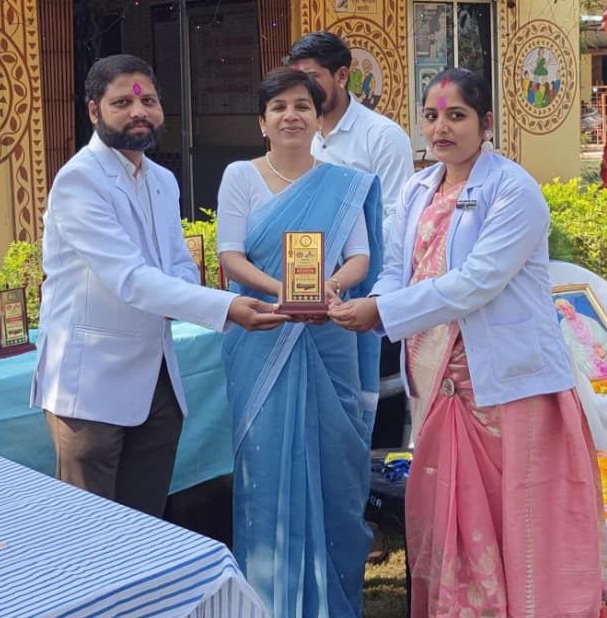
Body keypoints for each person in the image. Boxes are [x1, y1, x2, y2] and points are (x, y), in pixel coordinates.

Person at [329, 68, 607, 617]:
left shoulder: (513, 189)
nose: (441, 128)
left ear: (487, 123)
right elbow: (396, 270)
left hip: (504, 381)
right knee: (446, 506)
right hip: (435, 375)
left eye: (456, 116)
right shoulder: (417, 188)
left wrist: (382, 313)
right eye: (431, 116)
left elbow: (477, 282)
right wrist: (377, 300)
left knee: (517, 511)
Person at [31, 54, 287, 518]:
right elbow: (129, 278)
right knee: (91, 526)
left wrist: (188, 298)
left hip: (156, 378)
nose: (139, 112)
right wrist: (226, 306)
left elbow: (177, 265)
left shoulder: (162, 181)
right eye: (122, 103)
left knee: (147, 523)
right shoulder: (79, 182)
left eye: (148, 101)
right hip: (92, 386)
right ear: (94, 111)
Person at [217, 67, 383, 617]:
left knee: (338, 465)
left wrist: (327, 287)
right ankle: (272, 601)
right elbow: (230, 256)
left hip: (327, 335)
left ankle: (334, 598)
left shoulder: (343, 184)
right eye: (279, 107)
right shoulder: (241, 176)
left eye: (302, 106)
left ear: (317, 119)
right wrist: (285, 292)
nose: (291, 115)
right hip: (263, 333)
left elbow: (359, 257)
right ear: (262, 122)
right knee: (266, 471)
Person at [287, 31, 413, 248]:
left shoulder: (384, 136)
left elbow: (397, 216)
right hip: (308, 258)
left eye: (311, 78)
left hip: (366, 263)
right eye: (297, 80)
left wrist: (350, 255)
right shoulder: (298, 134)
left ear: (342, 77)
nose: (303, 89)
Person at [555, 298, 607, 379]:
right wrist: (589, 351)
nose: (563, 312)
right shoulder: (563, 324)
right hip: (584, 355)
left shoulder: (587, 320)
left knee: (604, 359)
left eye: (564, 309)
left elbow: (605, 340)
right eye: (559, 310)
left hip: (599, 351)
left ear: (571, 307)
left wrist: (603, 349)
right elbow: (571, 345)